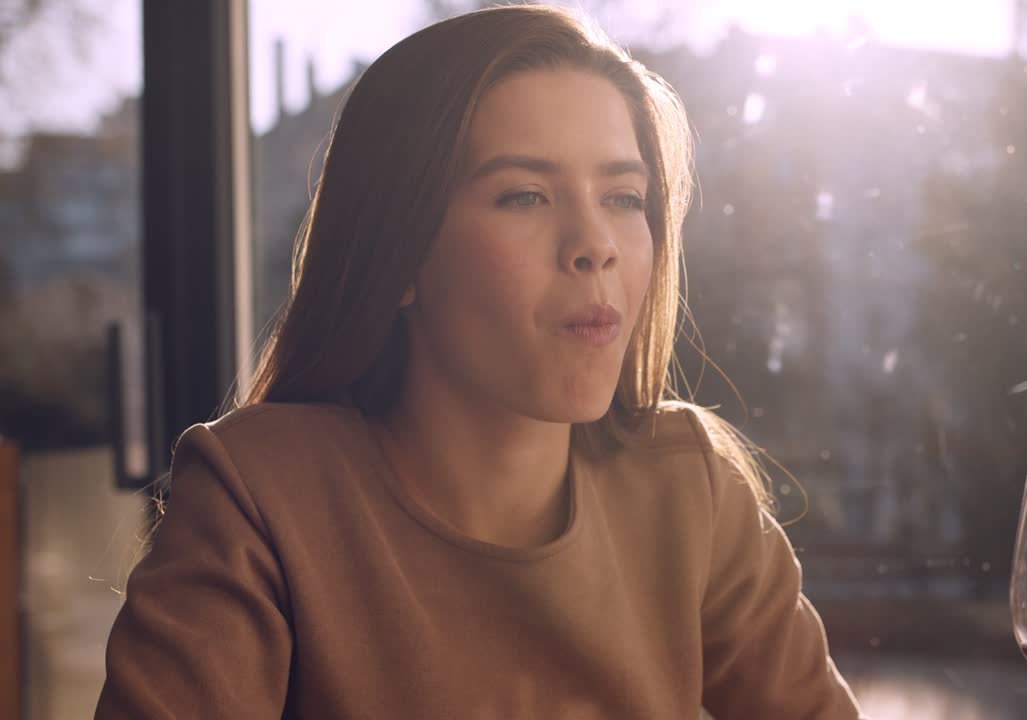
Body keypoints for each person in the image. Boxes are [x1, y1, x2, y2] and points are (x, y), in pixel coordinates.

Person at [94, 5, 864, 718]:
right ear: (400, 253)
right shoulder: (258, 497)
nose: (594, 243)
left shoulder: (687, 485)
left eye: (625, 199)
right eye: (525, 196)